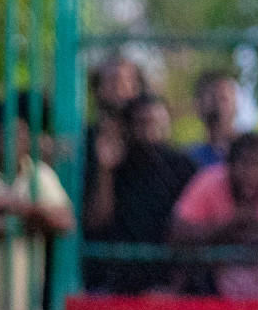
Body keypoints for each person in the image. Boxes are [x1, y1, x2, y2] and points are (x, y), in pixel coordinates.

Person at [0, 93, 76, 310]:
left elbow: (64, 221)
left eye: (20, 134)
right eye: (5, 133)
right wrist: (28, 219)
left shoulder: (40, 175)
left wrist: (2, 204)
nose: (13, 140)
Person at [83, 94, 199, 295]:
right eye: (142, 123)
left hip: (166, 286)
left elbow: (191, 233)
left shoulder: (184, 167)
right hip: (114, 284)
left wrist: (175, 287)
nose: (150, 130)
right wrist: (105, 171)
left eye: (157, 122)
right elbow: (97, 220)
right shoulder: (114, 167)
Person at [167, 132, 258, 300]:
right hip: (211, 292)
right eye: (245, 163)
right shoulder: (208, 182)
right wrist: (227, 229)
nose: (252, 172)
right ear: (230, 165)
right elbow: (177, 233)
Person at [186, 69, 240, 169]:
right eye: (213, 97)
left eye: (224, 98)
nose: (220, 105)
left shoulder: (257, 153)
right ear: (197, 105)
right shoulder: (189, 159)